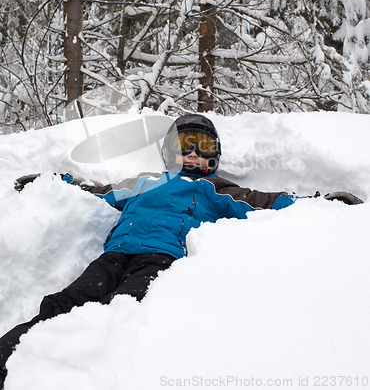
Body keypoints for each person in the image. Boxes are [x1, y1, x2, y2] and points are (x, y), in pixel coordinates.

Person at [0, 113, 363, 388]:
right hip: (113, 255)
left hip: (160, 259)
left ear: (213, 158)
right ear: (169, 150)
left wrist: (320, 203)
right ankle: (12, 356)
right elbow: (96, 191)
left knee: (119, 311)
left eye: (203, 147)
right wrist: (55, 182)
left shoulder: (217, 189)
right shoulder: (142, 183)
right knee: (65, 302)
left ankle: (90, 374)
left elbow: (266, 202)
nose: (193, 153)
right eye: (186, 143)